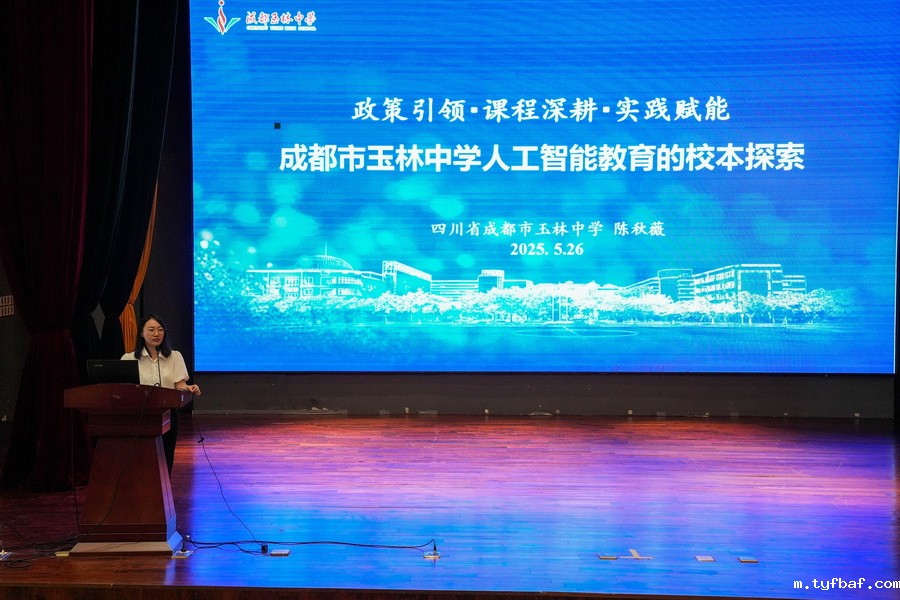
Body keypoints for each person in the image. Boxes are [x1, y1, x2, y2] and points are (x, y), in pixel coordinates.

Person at [122, 314, 201, 473]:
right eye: (151, 330)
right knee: (142, 459)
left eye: (160, 330)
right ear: (142, 333)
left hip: (167, 415)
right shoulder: (129, 358)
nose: (156, 334)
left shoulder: (175, 356)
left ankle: (164, 486)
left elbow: (180, 385)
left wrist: (189, 388)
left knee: (166, 456)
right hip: (140, 416)